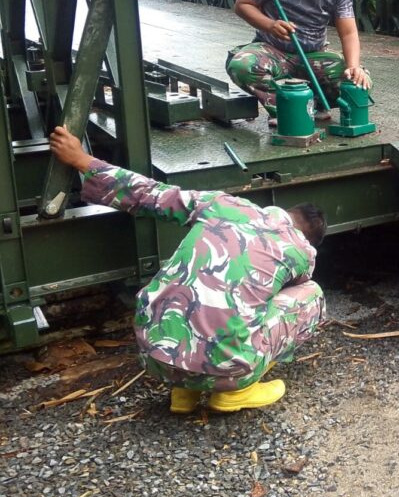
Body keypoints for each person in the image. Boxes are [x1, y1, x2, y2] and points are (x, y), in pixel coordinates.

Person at [49, 125, 327, 414]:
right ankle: (236, 389)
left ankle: (184, 392)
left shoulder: (222, 204)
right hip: (224, 368)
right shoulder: (301, 250)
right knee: (311, 294)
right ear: (308, 238)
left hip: (155, 357)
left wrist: (82, 159)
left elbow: (150, 193)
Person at [226, 0, 371, 125]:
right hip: (272, 50)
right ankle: (285, 110)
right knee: (242, 66)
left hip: (314, 54)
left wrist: (353, 66)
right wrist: (270, 25)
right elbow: (243, 5)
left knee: (358, 81)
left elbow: (348, 33)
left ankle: (315, 104)